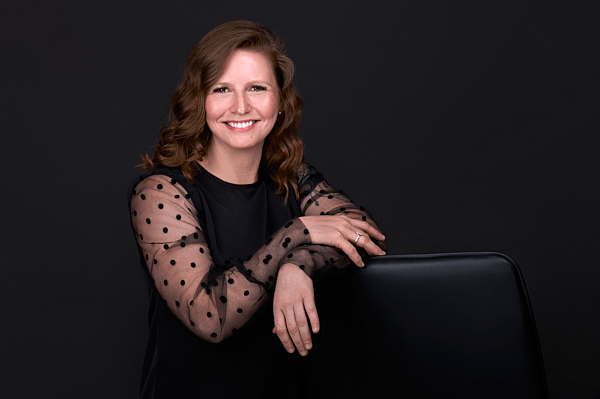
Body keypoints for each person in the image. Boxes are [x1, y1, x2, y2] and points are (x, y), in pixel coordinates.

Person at [127, 19, 387, 399]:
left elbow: (364, 234)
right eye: (222, 89)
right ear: (200, 101)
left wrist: (299, 265)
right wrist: (296, 235)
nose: (241, 106)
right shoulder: (162, 192)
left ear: (279, 101)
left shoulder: (291, 178)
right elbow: (210, 316)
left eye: (257, 88)